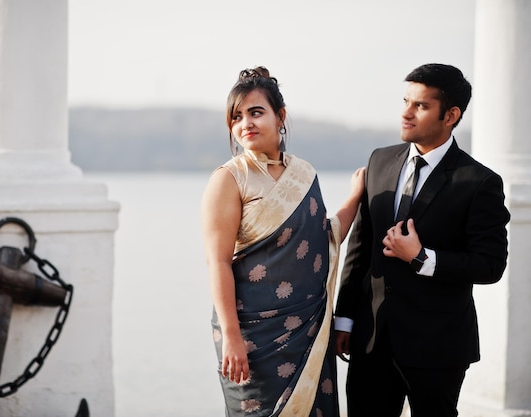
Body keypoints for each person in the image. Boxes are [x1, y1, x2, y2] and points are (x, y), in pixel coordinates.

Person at [334, 63, 511, 417]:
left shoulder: (479, 182)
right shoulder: (379, 161)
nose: (406, 113)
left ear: (451, 115)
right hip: (371, 340)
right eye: (406, 102)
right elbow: (360, 248)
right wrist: (344, 319)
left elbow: (490, 265)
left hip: (438, 347)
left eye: (421, 106)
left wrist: (421, 257)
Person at [201, 66, 365, 417]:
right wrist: (231, 336)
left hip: (306, 328)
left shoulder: (304, 174)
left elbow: (326, 237)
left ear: (281, 117)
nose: (246, 123)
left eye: (256, 112)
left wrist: (356, 195)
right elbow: (217, 262)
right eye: (237, 117)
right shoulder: (230, 179)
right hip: (251, 334)